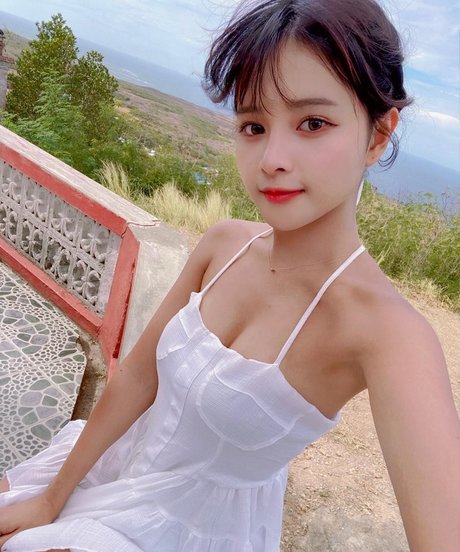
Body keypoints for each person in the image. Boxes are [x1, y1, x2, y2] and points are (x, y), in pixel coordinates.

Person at [1, 0, 459, 550]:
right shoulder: (224, 245)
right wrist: (52, 496)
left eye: (313, 123)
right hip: (110, 463)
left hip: (183, 532)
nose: (272, 158)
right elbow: (138, 378)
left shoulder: (386, 332)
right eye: (253, 125)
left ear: (379, 135)